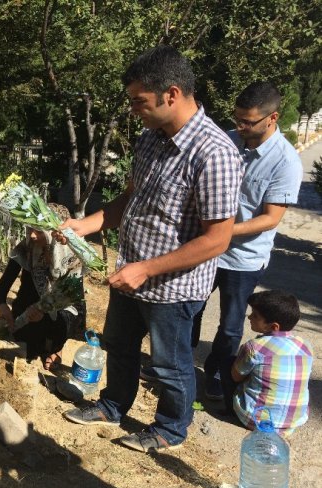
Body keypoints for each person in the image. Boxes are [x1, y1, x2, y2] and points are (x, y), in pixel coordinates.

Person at [58, 45, 243, 452]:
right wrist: (83, 226)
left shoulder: (214, 154)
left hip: (173, 289)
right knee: (119, 346)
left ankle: (171, 428)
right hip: (130, 274)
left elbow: (217, 239)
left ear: (171, 94)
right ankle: (112, 405)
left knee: (170, 364)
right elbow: (130, 199)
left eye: (139, 102)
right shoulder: (150, 138)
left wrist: (147, 269)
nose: (134, 111)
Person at [193, 82, 303, 406]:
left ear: (272, 118)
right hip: (206, 249)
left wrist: (223, 232)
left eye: (248, 122)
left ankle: (216, 375)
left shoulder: (286, 162)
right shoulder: (228, 139)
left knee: (230, 327)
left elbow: (271, 218)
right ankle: (181, 368)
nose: (240, 127)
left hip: (243, 260)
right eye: (237, 119)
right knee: (191, 309)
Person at [0, 204, 84, 369]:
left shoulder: (72, 254)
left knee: (64, 322)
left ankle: (57, 346)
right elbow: (3, 285)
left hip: (59, 308)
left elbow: (72, 297)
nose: (32, 236)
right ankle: (43, 344)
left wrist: (44, 309)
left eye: (39, 231)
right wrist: (1, 304)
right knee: (27, 343)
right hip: (30, 310)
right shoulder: (27, 248)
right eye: (29, 229)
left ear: (55, 232)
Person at [230, 290, 312, 437]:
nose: (249, 317)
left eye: (255, 315)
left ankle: (228, 408)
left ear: (274, 326)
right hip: (293, 422)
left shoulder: (254, 347)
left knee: (231, 363)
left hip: (255, 421)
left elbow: (236, 377)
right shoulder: (305, 346)